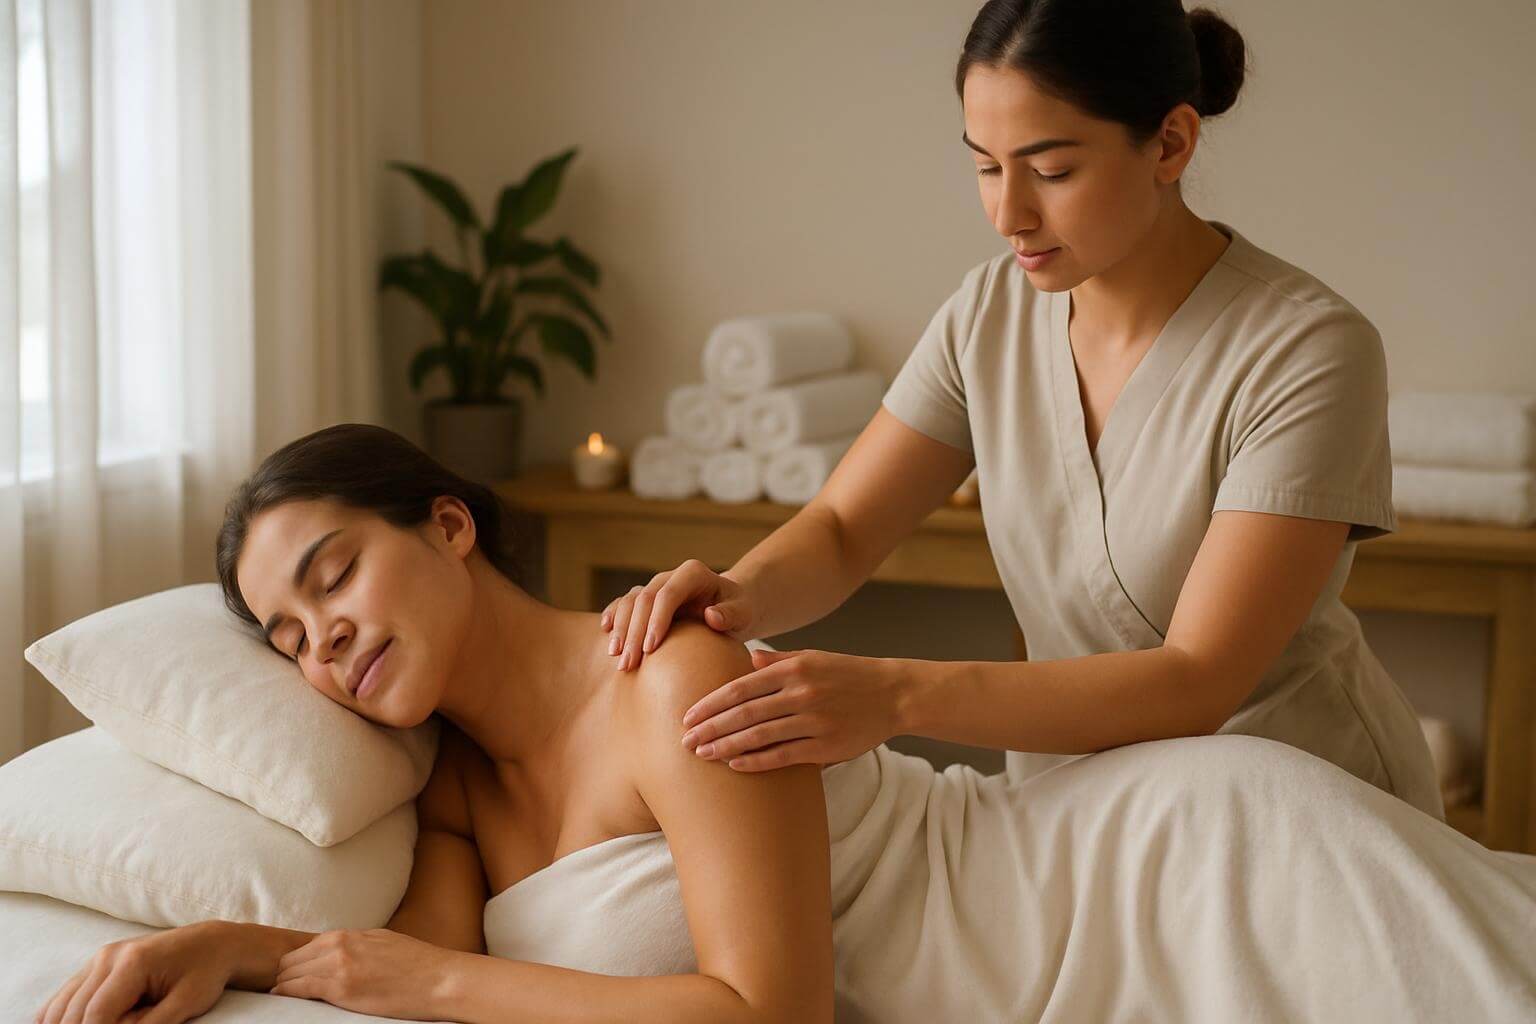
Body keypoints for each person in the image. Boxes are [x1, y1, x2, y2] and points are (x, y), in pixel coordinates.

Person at [31, 423, 1536, 1024]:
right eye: (287, 636)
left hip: (1168, 879)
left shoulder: (670, 676)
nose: (324, 639)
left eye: (335, 574)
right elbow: (415, 979)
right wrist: (224, 949)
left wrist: (421, 978)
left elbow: (767, 1016)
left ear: (449, 525)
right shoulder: (453, 797)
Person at [605, 0, 1442, 820]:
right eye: (984, 165)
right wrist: (734, 594)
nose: (1010, 214)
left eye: (1052, 171)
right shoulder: (989, 316)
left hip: (1297, 808)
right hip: (1079, 816)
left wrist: (896, 695)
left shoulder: (1308, 349)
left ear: (1171, 143)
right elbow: (843, 529)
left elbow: (1197, 678)